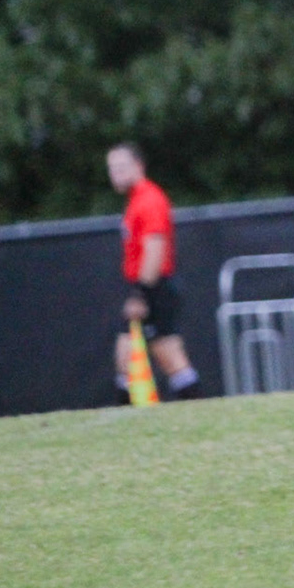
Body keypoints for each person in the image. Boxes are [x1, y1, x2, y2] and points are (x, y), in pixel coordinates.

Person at [108, 143, 203, 401]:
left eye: (121, 167)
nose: (115, 174)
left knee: (168, 355)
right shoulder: (136, 200)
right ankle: (125, 405)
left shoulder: (149, 199)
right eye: (112, 169)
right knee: (129, 351)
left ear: (139, 166)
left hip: (154, 286)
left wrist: (141, 294)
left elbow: (155, 249)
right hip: (147, 285)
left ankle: (197, 404)